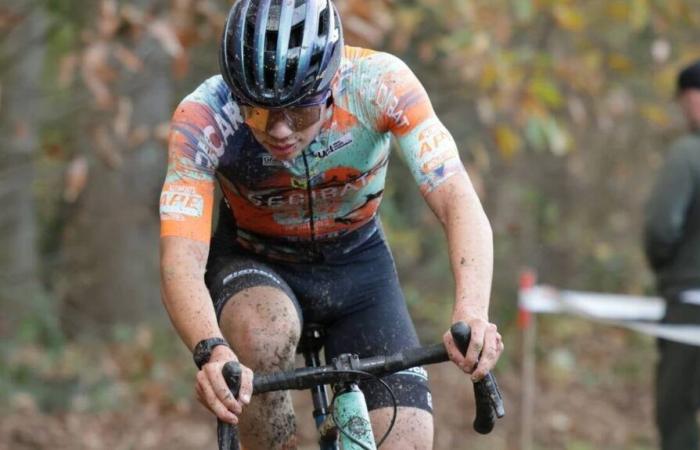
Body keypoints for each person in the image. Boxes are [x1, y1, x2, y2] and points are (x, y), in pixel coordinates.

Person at [159, 1, 503, 448]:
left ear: (330, 83)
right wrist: (211, 349)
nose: (279, 130)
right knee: (263, 331)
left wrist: (472, 312)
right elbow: (180, 261)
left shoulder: (380, 84)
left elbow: (457, 197)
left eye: (299, 112)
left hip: (357, 265)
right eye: (258, 111)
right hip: (254, 261)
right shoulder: (202, 118)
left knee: (409, 441)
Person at [644, 59, 700, 450]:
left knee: (676, 410)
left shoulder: (688, 155)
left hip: (691, 302)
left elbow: (662, 227)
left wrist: (667, 268)